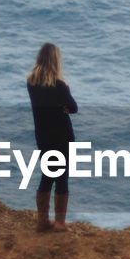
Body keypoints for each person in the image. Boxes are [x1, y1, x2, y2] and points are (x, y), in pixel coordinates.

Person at [26, 42, 78, 232]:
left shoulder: (31, 83)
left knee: (47, 175)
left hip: (43, 136)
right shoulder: (60, 85)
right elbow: (73, 107)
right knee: (62, 176)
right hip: (63, 136)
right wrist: (65, 93)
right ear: (56, 60)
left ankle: (42, 221)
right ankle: (59, 223)